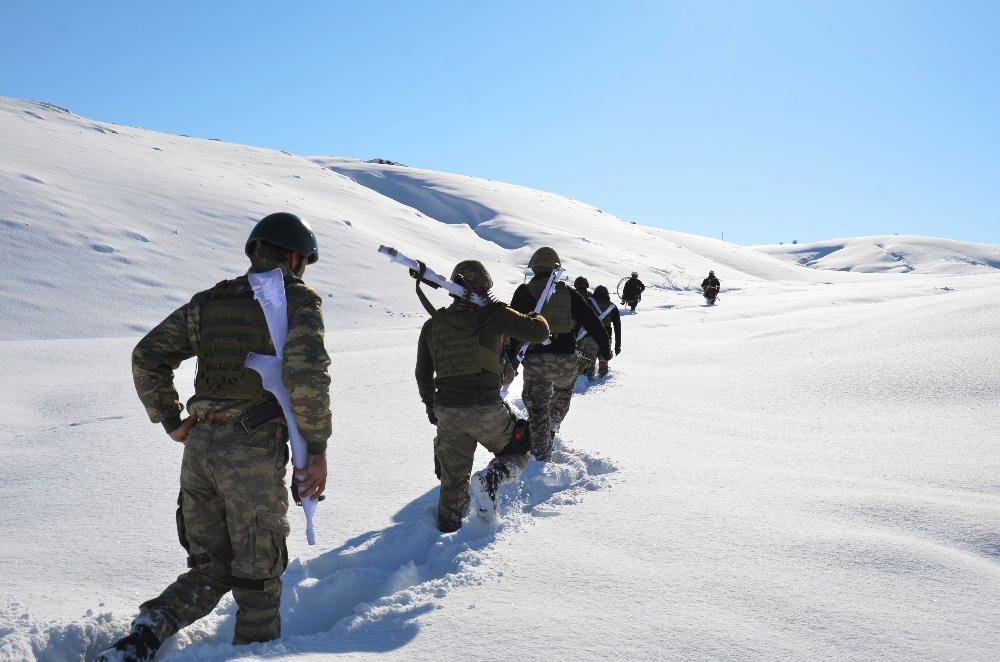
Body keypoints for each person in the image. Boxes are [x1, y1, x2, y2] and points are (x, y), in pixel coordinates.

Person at [96, 213, 332, 662]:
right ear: (295, 258)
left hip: (200, 451)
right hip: (252, 453)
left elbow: (148, 355)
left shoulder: (210, 301)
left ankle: (141, 639)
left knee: (210, 568)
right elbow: (306, 376)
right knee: (258, 576)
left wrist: (171, 419)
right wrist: (316, 450)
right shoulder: (297, 300)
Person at [415, 260, 550, 533]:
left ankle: (447, 532)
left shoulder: (433, 325)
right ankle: (491, 478)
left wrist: (433, 411)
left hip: (448, 414)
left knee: (453, 482)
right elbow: (540, 332)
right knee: (519, 448)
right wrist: (534, 315)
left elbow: (423, 375)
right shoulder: (494, 315)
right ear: (485, 288)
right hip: (486, 410)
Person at [509, 247, 612, 461]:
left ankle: (540, 453)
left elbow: (509, 331)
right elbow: (593, 322)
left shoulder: (524, 292)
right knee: (564, 392)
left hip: (536, 361)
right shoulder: (570, 293)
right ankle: (553, 425)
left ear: (534, 268)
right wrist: (604, 350)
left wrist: (510, 364)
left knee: (536, 409)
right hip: (566, 361)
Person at [591, 285, 622, 378]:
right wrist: (617, 345)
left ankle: (588, 379)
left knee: (588, 362)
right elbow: (617, 326)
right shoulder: (612, 307)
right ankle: (602, 377)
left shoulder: (588, 302)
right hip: (605, 338)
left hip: (589, 336)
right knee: (604, 361)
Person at [573, 276, 599, 380]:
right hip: (589, 331)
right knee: (589, 356)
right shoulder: (592, 298)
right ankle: (589, 377)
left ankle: (577, 377)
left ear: (576, 285)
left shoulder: (572, 295)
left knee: (575, 355)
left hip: (573, 330)